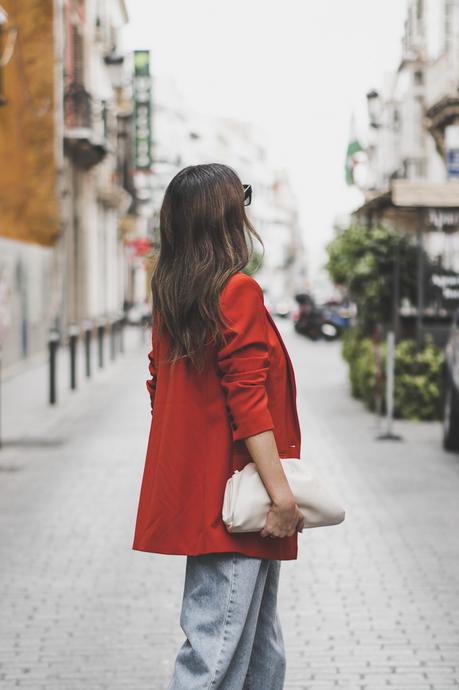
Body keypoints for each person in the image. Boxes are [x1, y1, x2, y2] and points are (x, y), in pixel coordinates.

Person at [132, 163, 304, 690]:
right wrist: (282, 496)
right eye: (242, 199)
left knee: (259, 652)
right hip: (236, 501)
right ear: (224, 216)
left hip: (211, 494)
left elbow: (160, 391)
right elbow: (248, 403)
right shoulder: (236, 291)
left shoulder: (176, 295)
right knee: (214, 652)